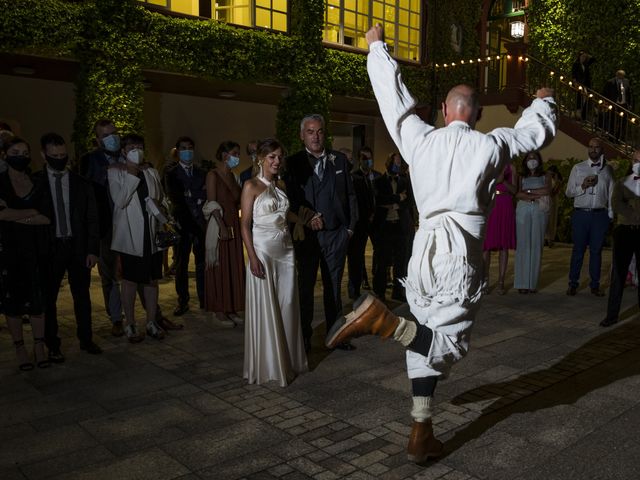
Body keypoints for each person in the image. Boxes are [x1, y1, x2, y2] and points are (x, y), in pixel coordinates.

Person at [326, 24, 557, 464]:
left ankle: (420, 434)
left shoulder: (421, 138)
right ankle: (382, 322)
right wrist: (544, 100)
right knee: (449, 343)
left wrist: (377, 48)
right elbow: (534, 134)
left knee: (427, 339)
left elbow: (391, 101)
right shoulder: (492, 144)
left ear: (447, 111)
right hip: (459, 254)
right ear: (474, 115)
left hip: (423, 252)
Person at [283, 114, 358, 352]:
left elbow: (351, 196)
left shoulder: (339, 160)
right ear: (302, 135)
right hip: (307, 236)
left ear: (325, 134)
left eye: (319, 131)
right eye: (310, 132)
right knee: (305, 287)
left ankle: (336, 335)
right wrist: (306, 218)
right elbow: (290, 200)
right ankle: (304, 337)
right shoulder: (293, 163)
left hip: (336, 234)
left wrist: (349, 228)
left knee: (333, 287)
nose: (316, 136)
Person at [240, 138, 308, 386]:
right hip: (264, 252)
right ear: (260, 158)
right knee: (267, 307)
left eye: (280, 157)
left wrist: (302, 219)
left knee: (288, 305)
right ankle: (269, 364)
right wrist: (252, 257)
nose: (277, 161)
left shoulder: (281, 185)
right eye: (272, 157)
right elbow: (244, 224)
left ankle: (288, 359)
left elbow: (283, 212)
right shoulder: (251, 186)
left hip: (286, 250)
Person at [33, 133, 102, 362]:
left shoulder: (80, 183)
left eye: (63, 155)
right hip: (50, 247)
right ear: (44, 155)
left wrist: (92, 249)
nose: (59, 159)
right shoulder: (36, 183)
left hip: (77, 246)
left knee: (82, 295)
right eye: (54, 156)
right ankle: (52, 344)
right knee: (49, 298)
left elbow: (92, 217)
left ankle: (86, 338)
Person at [108, 134, 167, 342]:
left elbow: (160, 197)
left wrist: (162, 209)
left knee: (151, 281)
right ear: (123, 151)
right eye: (131, 147)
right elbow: (120, 200)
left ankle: (151, 321)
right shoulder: (116, 171)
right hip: (130, 236)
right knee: (130, 281)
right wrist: (132, 172)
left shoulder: (150, 171)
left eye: (139, 146)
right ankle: (130, 324)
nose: (136, 150)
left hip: (150, 234)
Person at [0, 137, 52, 370]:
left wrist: (17, 213)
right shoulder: (0, 181)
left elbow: (47, 216)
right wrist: (31, 213)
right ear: (4, 155)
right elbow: (1, 215)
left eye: (24, 152)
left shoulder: (37, 181)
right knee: (13, 301)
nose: (20, 156)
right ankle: (20, 347)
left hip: (36, 248)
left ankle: (39, 345)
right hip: (9, 249)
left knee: (38, 299)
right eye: (15, 151)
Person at [80, 119, 124, 337]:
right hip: (106, 225)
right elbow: (84, 189)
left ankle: (152, 315)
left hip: (128, 222)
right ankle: (116, 317)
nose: (112, 138)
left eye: (114, 133)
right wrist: (108, 172)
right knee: (109, 274)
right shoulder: (90, 160)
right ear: (97, 139)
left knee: (137, 272)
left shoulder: (128, 155)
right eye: (106, 135)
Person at [565, 137, 614, 296]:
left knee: (596, 251)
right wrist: (583, 186)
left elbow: (612, 193)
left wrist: (610, 215)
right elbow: (569, 192)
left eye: (596, 147)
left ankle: (595, 285)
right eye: (590, 146)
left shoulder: (608, 170)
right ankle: (573, 283)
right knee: (578, 250)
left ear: (602, 150)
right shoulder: (577, 168)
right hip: (581, 214)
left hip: (600, 216)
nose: (593, 149)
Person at [203, 141, 245, 325]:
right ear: (224, 154)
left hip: (234, 223)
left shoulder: (234, 176)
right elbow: (211, 203)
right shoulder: (213, 175)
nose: (237, 157)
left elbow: (238, 201)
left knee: (233, 265)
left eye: (238, 153)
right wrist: (221, 226)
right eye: (234, 153)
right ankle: (219, 310)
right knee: (220, 266)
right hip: (220, 224)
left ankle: (231, 307)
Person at [164, 136, 206, 316]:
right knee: (181, 265)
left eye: (190, 147)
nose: (187, 151)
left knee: (202, 264)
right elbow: (177, 199)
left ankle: (205, 299)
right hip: (183, 225)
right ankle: (183, 301)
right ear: (177, 151)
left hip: (200, 224)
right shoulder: (171, 173)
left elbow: (204, 195)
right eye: (183, 148)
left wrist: (193, 194)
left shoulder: (201, 172)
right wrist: (193, 195)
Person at [600, 150, 640, 327]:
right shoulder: (622, 182)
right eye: (636, 160)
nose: (638, 163)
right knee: (618, 274)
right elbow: (616, 203)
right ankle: (612, 315)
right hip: (624, 231)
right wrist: (634, 212)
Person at [371, 152, 412, 302]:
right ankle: (380, 291)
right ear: (389, 163)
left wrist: (392, 203)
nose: (398, 165)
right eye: (396, 162)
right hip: (384, 226)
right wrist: (397, 198)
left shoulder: (405, 181)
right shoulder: (378, 181)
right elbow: (379, 200)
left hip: (400, 226)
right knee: (382, 261)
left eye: (400, 163)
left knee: (401, 262)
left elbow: (409, 202)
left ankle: (398, 291)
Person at [513, 152, 552, 293]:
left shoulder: (545, 175)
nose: (532, 160)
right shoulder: (521, 176)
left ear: (539, 160)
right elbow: (518, 193)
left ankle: (532, 284)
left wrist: (528, 192)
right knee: (523, 245)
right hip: (523, 209)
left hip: (539, 209)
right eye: (529, 158)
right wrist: (537, 193)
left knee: (536, 244)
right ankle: (522, 283)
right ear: (525, 161)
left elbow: (547, 190)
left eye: (534, 158)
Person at [347, 146, 379, 299]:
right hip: (361, 222)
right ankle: (355, 289)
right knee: (356, 256)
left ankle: (378, 285)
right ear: (359, 160)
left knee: (379, 253)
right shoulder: (354, 177)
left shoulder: (378, 177)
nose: (368, 161)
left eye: (369, 158)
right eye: (364, 158)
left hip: (377, 222)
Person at [482, 162, 517, 294]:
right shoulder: (488, 163)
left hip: (505, 203)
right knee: (487, 246)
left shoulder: (511, 166)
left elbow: (514, 190)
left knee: (504, 245)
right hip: (491, 203)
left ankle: (501, 281)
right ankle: (485, 280)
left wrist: (503, 181)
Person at [603, 70, 632, 141]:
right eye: (620, 76)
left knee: (623, 122)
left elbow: (630, 93)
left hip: (624, 105)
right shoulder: (610, 82)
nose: (621, 78)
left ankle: (620, 137)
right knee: (612, 120)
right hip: (614, 104)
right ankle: (611, 136)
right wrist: (606, 102)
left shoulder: (626, 82)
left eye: (622, 76)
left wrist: (630, 104)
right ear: (617, 75)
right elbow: (605, 93)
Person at [571, 51, 595, 120]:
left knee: (585, 98)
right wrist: (575, 82)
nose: (583, 58)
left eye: (585, 57)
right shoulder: (576, 64)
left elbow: (593, 59)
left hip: (585, 84)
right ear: (579, 57)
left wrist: (588, 55)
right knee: (579, 97)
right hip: (579, 83)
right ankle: (577, 111)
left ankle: (582, 113)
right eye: (582, 57)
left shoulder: (585, 65)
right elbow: (574, 74)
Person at [545, 165, 563, 247]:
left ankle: (550, 239)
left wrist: (556, 181)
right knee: (546, 219)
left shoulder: (558, 181)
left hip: (553, 200)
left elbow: (553, 192)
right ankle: (545, 238)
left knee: (552, 219)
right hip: (545, 200)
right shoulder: (546, 179)